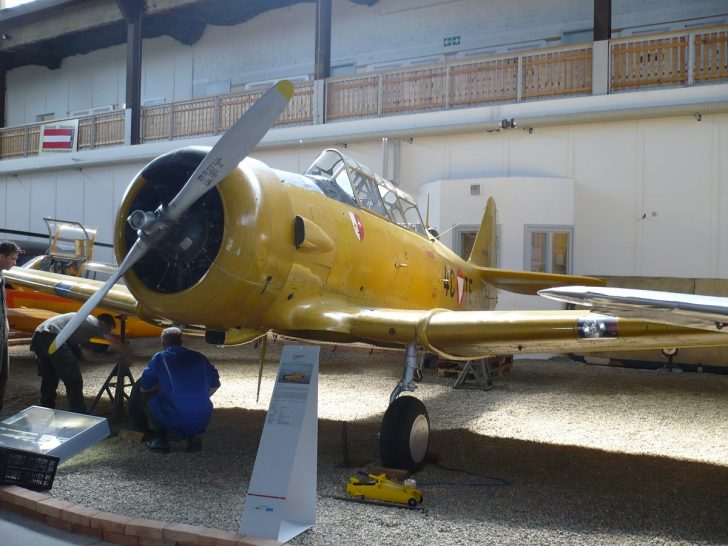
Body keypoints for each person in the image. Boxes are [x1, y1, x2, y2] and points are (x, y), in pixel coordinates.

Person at [139, 327, 220, 454]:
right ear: (181, 341)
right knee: (191, 402)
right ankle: (195, 435)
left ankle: (160, 439)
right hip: (203, 415)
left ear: (162, 344)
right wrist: (200, 397)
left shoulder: (160, 358)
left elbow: (144, 387)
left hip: (176, 415)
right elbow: (216, 384)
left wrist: (160, 387)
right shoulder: (200, 357)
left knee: (147, 398)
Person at [30, 312, 124, 413]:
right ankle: (79, 414)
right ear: (104, 323)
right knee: (74, 380)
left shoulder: (83, 328)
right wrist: (127, 355)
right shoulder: (94, 321)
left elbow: (90, 357)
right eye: (108, 329)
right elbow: (114, 342)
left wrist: (116, 359)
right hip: (52, 335)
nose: (106, 333)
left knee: (50, 378)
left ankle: (46, 411)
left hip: (39, 336)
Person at [0, 241, 21, 413]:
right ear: (1, 257)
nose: (15, 263)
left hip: (2, 334)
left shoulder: (2, 277)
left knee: (3, 376)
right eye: (12, 259)